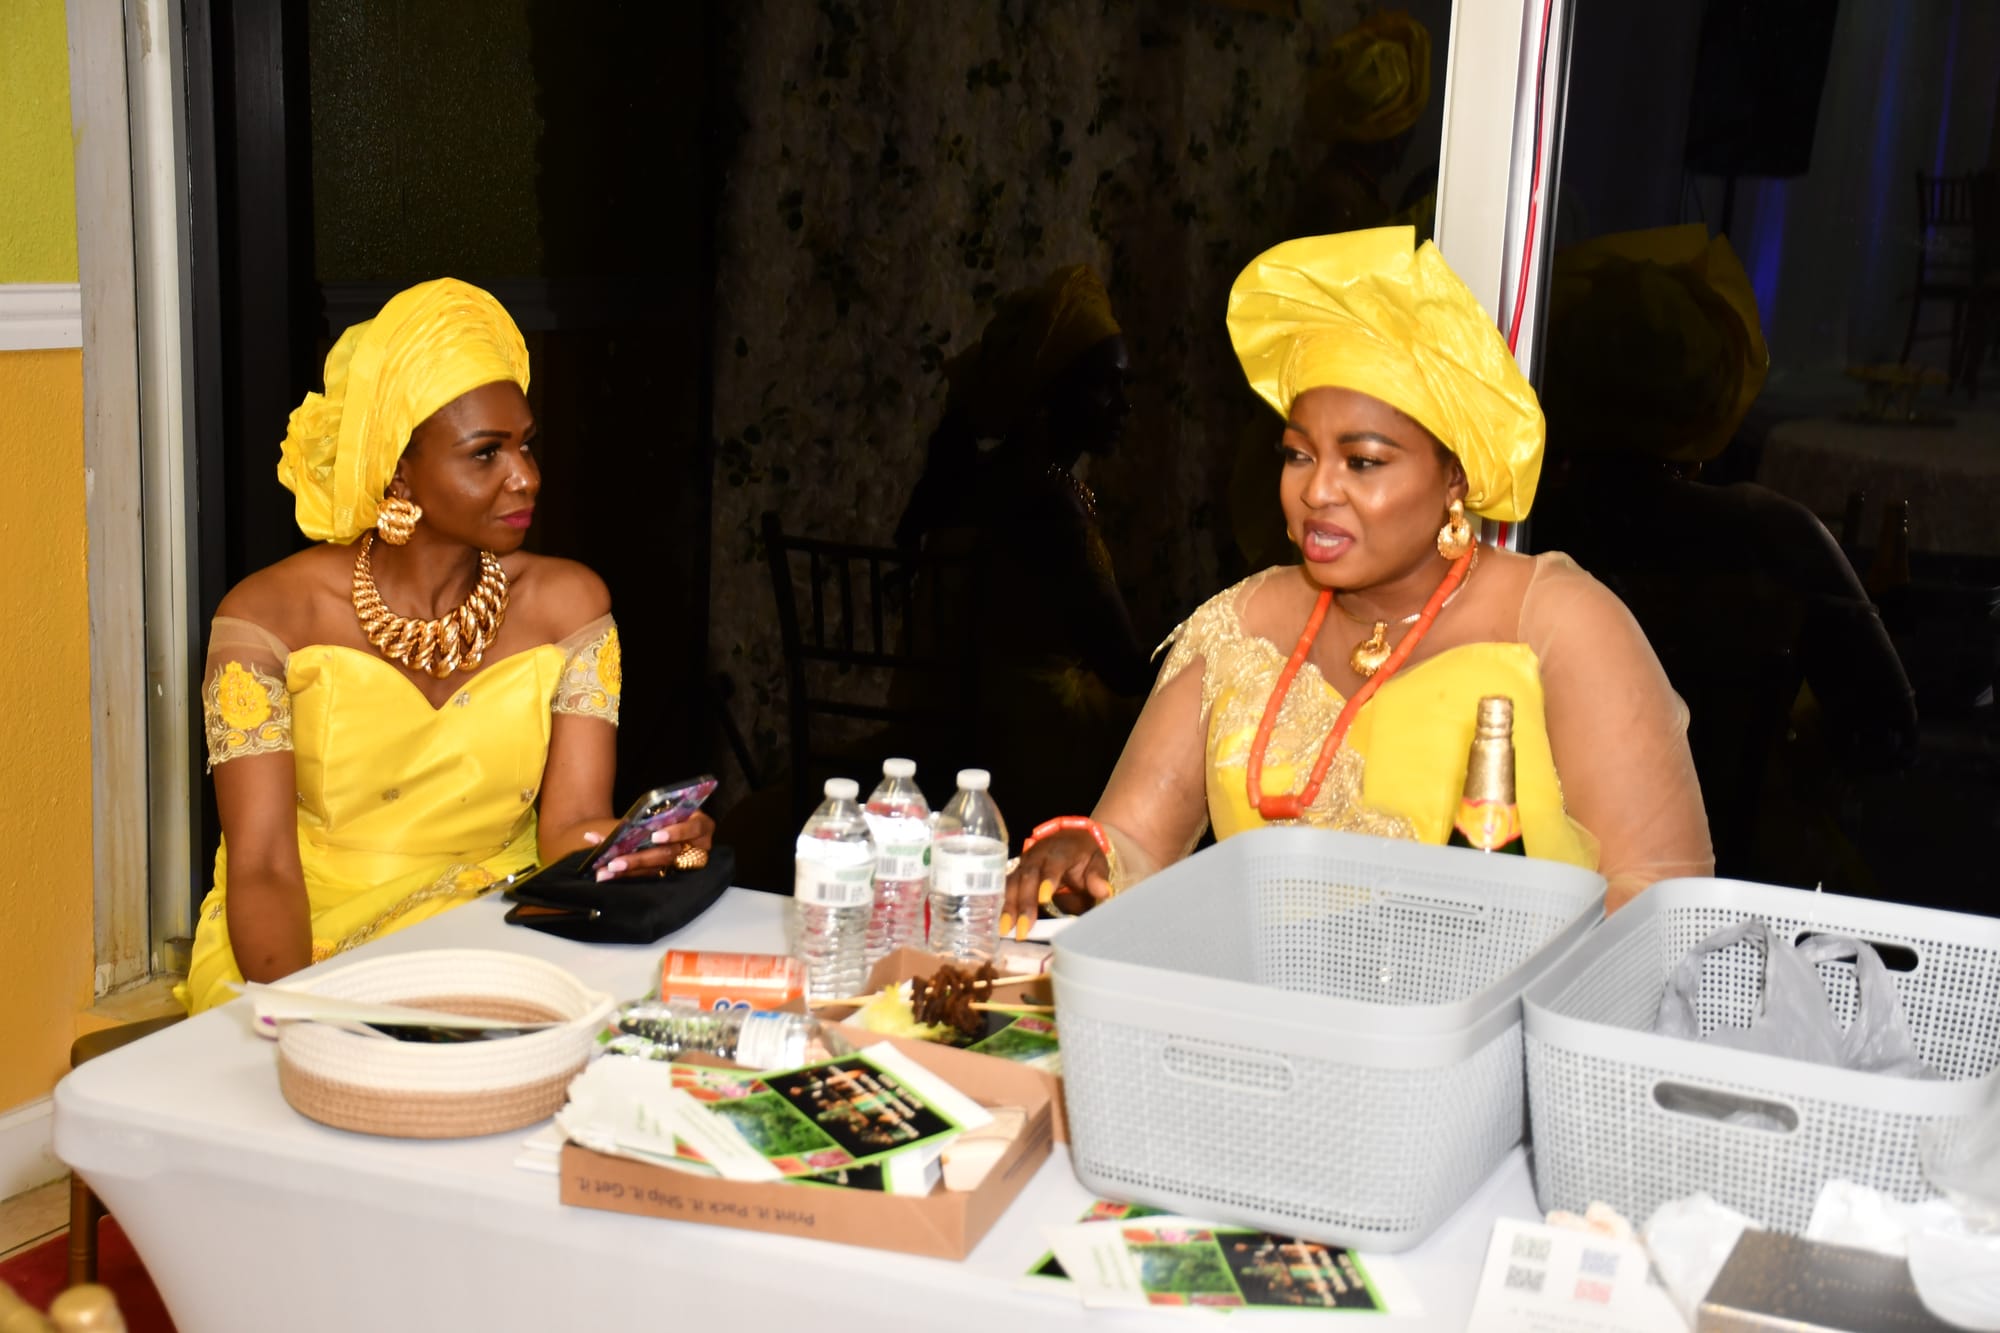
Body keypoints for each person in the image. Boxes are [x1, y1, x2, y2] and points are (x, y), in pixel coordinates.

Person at [1006, 227, 1711, 932]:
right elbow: (1130, 840)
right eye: (1298, 455)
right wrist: (1082, 859)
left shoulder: (1558, 622)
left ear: (1455, 477)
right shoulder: (1239, 624)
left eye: (1363, 462)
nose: (1316, 491)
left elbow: (1663, 900)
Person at [177, 278, 713, 1014]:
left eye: (526, 445)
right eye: (485, 454)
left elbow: (566, 830)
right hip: (306, 940)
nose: (526, 477)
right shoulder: (268, 619)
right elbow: (263, 866)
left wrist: (654, 840)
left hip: (497, 928)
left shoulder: (568, 607)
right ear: (399, 468)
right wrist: (300, 1012)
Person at [1530, 224, 1917, 876]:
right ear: (1711, 386)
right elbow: (1887, 734)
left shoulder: (1514, 529)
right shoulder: (1775, 535)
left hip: (1548, 876)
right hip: (1743, 880)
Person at [892, 264, 1151, 832]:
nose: (1124, 405)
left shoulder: (984, 476)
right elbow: (1125, 668)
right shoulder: (1047, 502)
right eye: (1106, 384)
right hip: (1032, 745)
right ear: (1052, 390)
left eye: (1126, 386)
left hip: (967, 728)